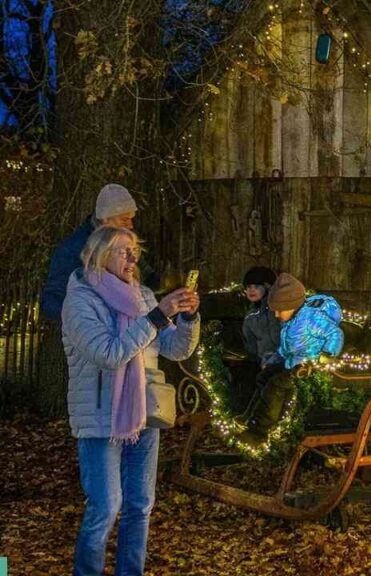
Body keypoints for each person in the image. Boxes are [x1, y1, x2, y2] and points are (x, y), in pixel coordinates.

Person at [62, 226, 200, 576]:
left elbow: (176, 348)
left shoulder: (144, 296)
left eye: (134, 250)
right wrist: (156, 317)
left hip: (142, 413)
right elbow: (109, 353)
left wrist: (187, 318)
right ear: (100, 254)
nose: (132, 258)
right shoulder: (81, 300)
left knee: (140, 505)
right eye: (123, 251)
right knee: (106, 506)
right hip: (100, 417)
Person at [236, 273, 342, 445]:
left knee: (277, 385)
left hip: (307, 367)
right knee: (264, 376)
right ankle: (251, 416)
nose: (277, 315)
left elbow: (335, 333)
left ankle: (259, 431)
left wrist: (327, 355)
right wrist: (274, 359)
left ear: (292, 305)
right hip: (292, 362)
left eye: (280, 310)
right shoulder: (289, 321)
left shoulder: (311, 319)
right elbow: (287, 348)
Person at [42, 183, 139, 321]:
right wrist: (85, 318)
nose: (130, 225)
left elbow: (144, 282)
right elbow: (52, 300)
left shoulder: (125, 247)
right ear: (105, 218)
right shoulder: (74, 249)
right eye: (124, 219)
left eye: (131, 218)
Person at [241, 266, 280, 366]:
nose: (252, 290)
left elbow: (277, 337)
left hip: (278, 359)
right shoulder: (251, 315)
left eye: (256, 287)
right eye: (249, 287)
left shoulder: (275, 310)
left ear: (267, 288)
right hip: (261, 360)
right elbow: (250, 342)